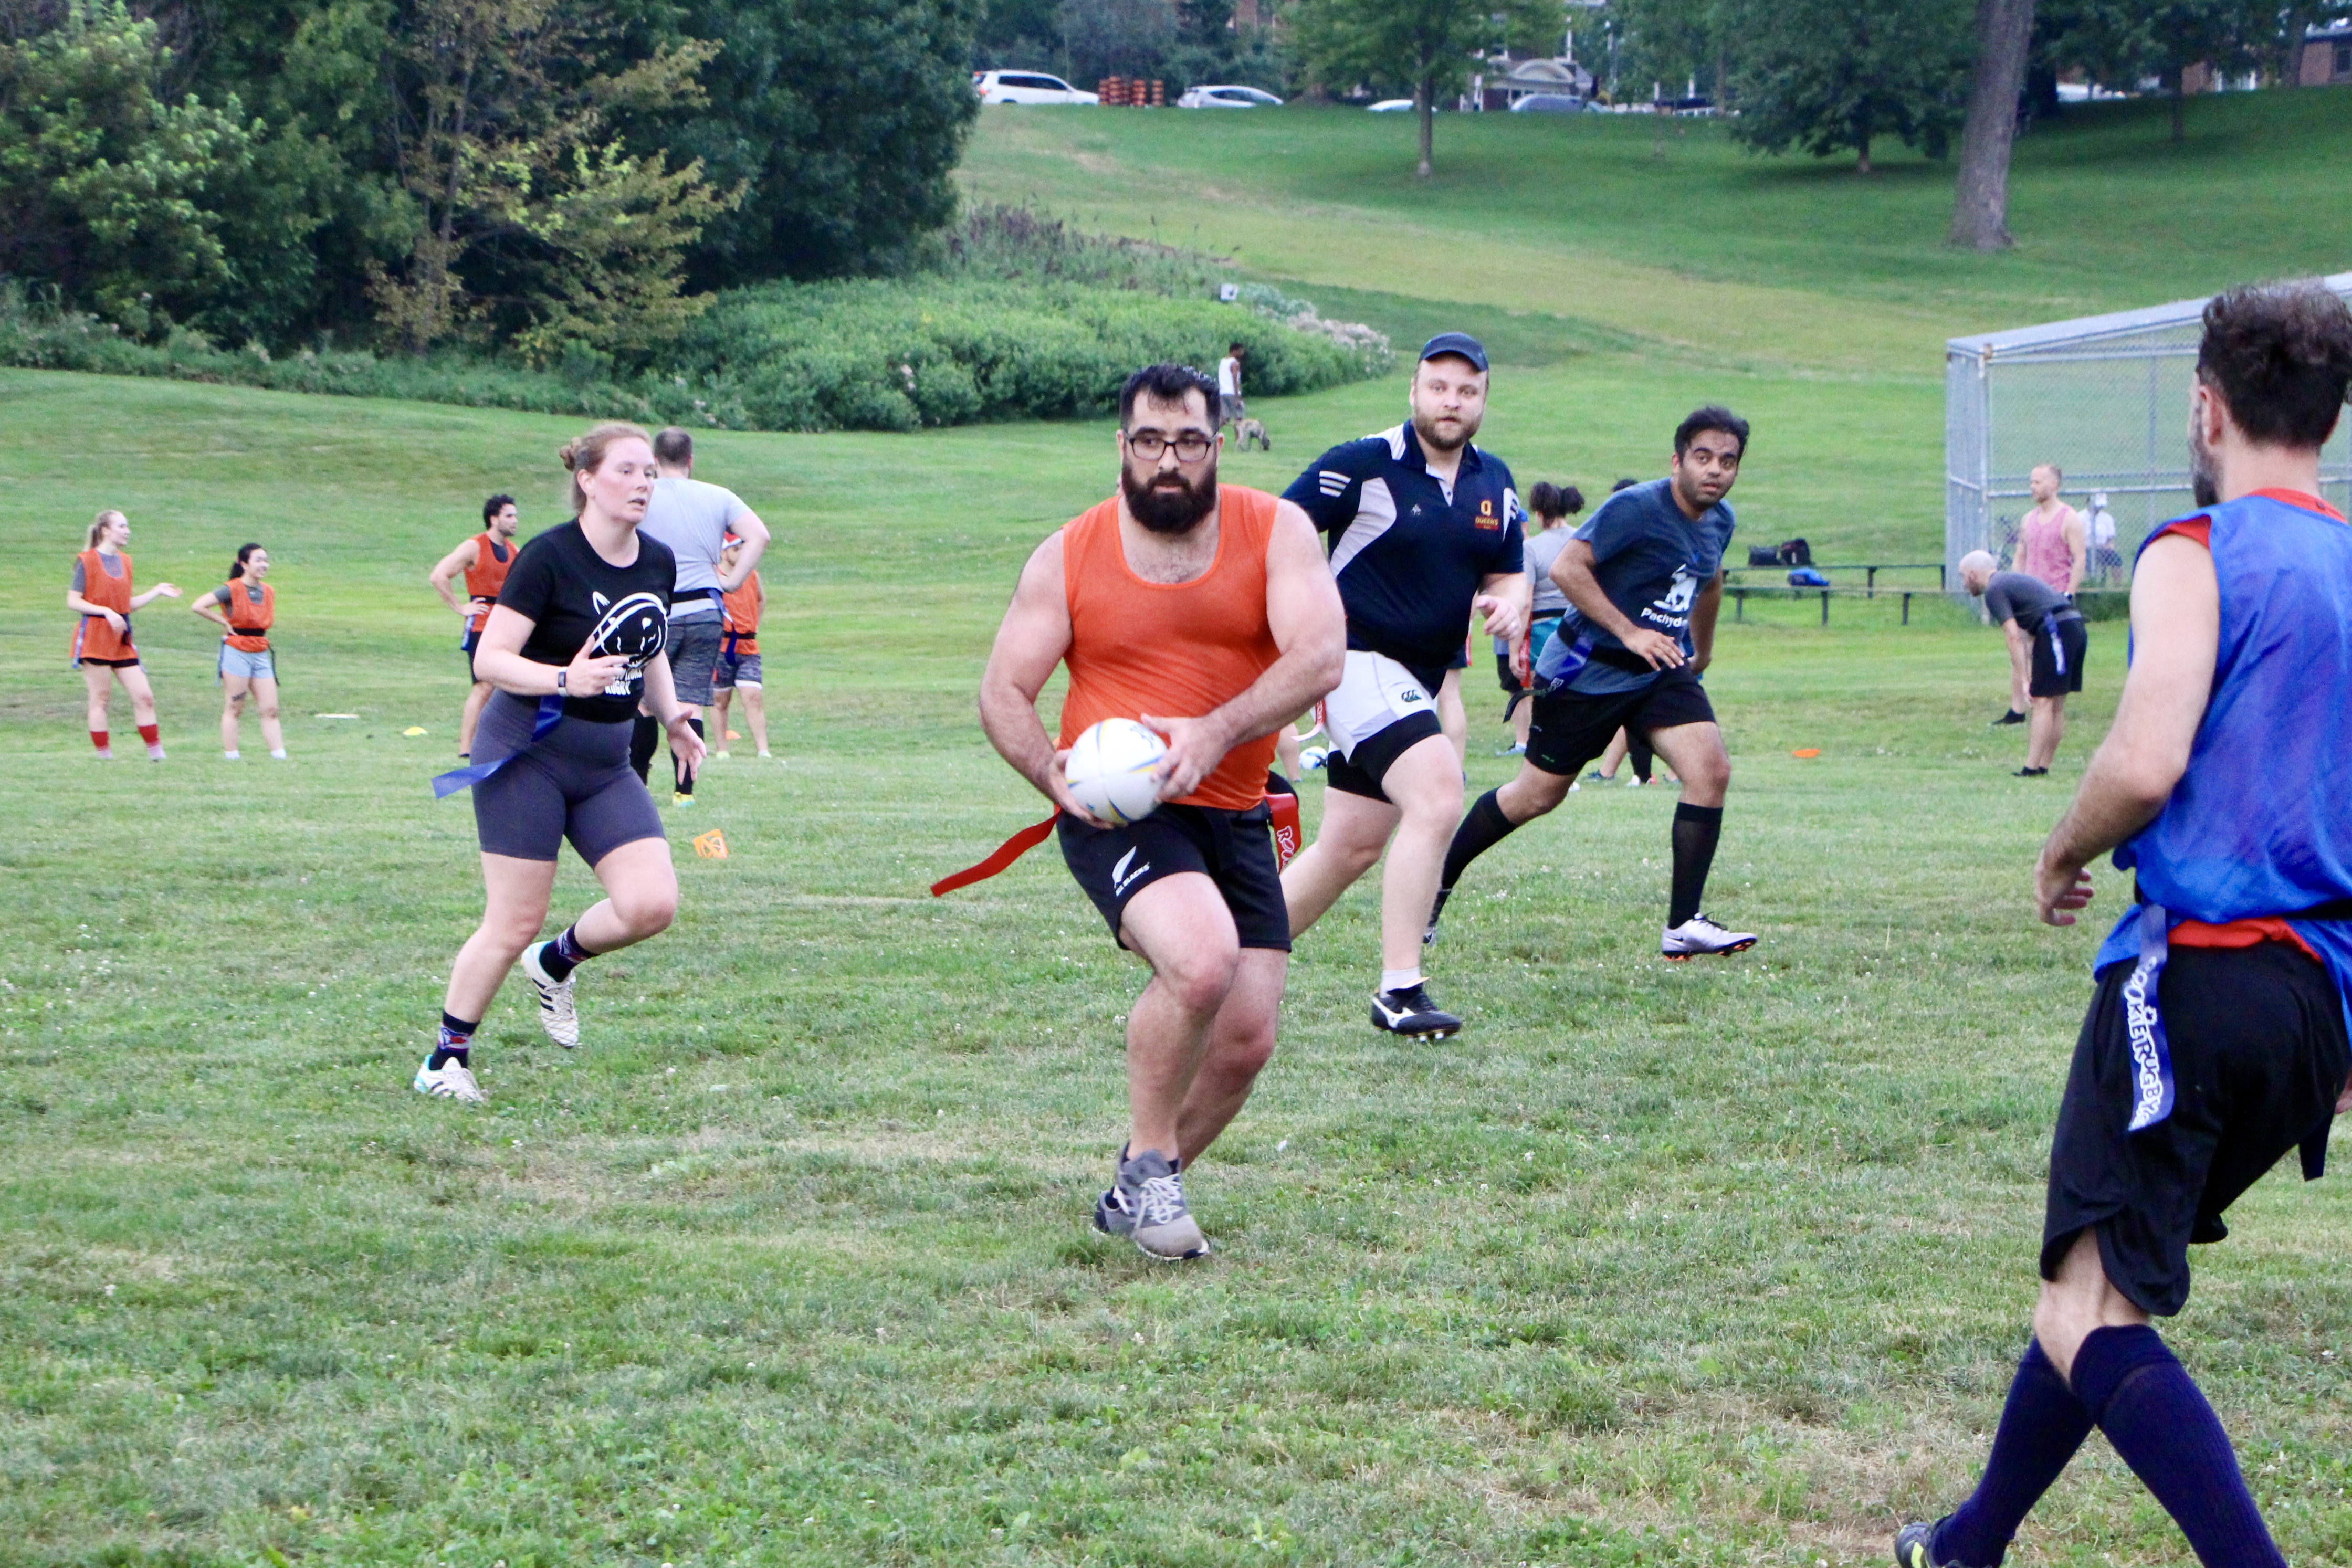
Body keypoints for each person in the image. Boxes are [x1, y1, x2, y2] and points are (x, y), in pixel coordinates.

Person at [1895, 281, 2352, 1568]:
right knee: (2089, 1288)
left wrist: (2059, 848)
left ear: (2207, 407)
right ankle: (1970, 1540)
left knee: (2090, 1311)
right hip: (2317, 999)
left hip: (2197, 979)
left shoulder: (2194, 551)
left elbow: (2145, 763)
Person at [978, 363, 1343, 1259]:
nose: (1169, 461)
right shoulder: (1070, 553)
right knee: (1203, 961)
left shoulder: (1275, 530)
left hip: (1236, 806)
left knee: (1248, 1037)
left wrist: (1217, 732)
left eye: (1188, 442)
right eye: (1150, 441)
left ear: (1216, 445)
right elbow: (1002, 692)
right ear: (1123, 447)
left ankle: (1139, 1183)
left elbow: (1322, 654)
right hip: (1120, 814)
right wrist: (1048, 775)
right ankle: (1149, 1167)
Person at [417, 423, 706, 1105]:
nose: (643, 483)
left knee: (651, 903)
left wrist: (673, 719)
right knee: (514, 917)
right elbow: (490, 659)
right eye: (629, 471)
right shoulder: (548, 557)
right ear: (587, 479)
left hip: (606, 763)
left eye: (649, 474)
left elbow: (650, 645)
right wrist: (561, 680)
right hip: (528, 756)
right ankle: (444, 1059)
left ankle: (556, 960)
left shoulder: (657, 560)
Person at [1430, 407, 1757, 960]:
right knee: (1535, 795)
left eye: (1728, 461)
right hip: (1588, 667)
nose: (1715, 470)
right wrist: (1630, 632)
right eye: (1703, 457)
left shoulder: (1720, 519)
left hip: (1659, 668)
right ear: (1676, 460)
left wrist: (1703, 648)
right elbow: (1566, 569)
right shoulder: (1636, 508)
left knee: (1711, 770)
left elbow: (1710, 579)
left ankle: (1683, 924)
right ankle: (1432, 884)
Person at [1277, 333, 1529, 1038]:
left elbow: (1509, 568)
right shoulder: (1363, 463)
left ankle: (1234, 950)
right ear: (1414, 391)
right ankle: (1400, 987)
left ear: (1483, 399)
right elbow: (1277, 533)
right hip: (1354, 660)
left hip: (1415, 677)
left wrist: (1511, 601)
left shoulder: (1495, 481)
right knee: (1439, 790)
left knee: (1351, 846)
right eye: (1439, 386)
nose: (1452, 401)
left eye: (1467, 390)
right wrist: (1294, 629)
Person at [632, 428, 770, 805]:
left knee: (644, 702)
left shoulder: (644, 494)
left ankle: (636, 786)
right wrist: (732, 581)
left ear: (655, 461)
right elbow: (759, 535)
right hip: (706, 612)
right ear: (691, 460)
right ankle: (683, 793)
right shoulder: (719, 496)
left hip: (656, 612)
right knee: (688, 701)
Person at [1959, 551, 2086, 777]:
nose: (1963, 584)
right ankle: (2042, 767)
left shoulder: (1994, 589)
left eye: (1963, 578)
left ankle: (2031, 769)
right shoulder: (2008, 581)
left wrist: (2025, 680)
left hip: (2057, 629)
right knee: (2055, 703)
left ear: (1972, 575)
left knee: (2043, 701)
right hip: (2072, 626)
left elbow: (2013, 636)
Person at [67, 510, 181, 761]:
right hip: (95, 636)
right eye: (122, 526)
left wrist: (157, 591)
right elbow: (73, 601)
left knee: (144, 696)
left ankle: (156, 754)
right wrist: (106, 612)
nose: (128, 531)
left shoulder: (126, 562)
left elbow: (126, 604)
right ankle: (105, 756)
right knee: (101, 698)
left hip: (121, 638)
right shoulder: (87, 561)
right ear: (106, 530)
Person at [429, 494, 521, 759]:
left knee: (506, 686)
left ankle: (495, 742)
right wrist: (461, 608)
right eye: (509, 516)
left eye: (515, 516)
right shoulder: (475, 547)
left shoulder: (514, 551)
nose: (515, 521)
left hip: (504, 626)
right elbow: (439, 575)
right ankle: (466, 747)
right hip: (481, 624)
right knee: (482, 687)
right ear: (494, 519)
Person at [1497, 481, 1583, 755]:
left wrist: (1514, 651)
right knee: (1571, 690)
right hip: (1578, 626)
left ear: (1538, 512)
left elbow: (1525, 603)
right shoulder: (1581, 538)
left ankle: (1534, 744)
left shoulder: (1532, 548)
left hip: (1543, 630)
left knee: (1536, 691)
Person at [192, 543, 286, 760]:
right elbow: (199, 606)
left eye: (265, 560)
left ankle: (279, 755)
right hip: (237, 651)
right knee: (235, 705)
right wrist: (223, 622)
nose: (264, 565)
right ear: (244, 564)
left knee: (270, 708)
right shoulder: (231, 589)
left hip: (260, 651)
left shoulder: (268, 591)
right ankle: (232, 755)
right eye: (258, 560)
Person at [709, 532, 768, 760]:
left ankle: (763, 750)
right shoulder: (714, 576)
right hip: (722, 648)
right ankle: (722, 749)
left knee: (753, 696)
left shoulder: (751, 575)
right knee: (720, 700)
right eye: (736, 549)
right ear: (724, 552)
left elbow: (761, 599)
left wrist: (754, 625)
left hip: (748, 647)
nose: (742, 553)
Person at [2013, 462, 2086, 597]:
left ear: (2054, 484)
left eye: (2038, 483)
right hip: (2030, 596)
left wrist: (2069, 593)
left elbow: (2080, 559)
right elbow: (2020, 558)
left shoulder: (2069, 518)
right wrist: (2018, 589)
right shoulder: (2028, 520)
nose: (2033, 487)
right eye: (2031, 483)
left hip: (2056, 595)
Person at [1216, 342, 1246, 432]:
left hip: (1223, 393)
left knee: (1225, 418)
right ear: (1234, 351)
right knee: (1239, 419)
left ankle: (1213, 433)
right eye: (1240, 351)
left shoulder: (1223, 361)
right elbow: (1235, 380)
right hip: (1232, 393)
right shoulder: (1234, 363)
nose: (1242, 353)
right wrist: (1238, 398)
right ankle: (1239, 441)